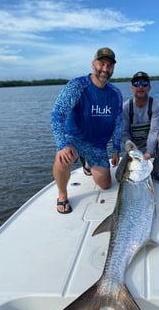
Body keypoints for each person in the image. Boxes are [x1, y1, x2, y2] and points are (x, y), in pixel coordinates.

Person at [51, 47, 123, 214]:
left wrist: (116, 148)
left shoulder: (115, 94)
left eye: (109, 65)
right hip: (75, 139)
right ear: (93, 64)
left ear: (113, 69)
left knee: (105, 185)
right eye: (102, 64)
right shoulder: (77, 86)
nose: (105, 69)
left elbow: (118, 123)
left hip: (97, 146)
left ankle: (87, 162)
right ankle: (62, 195)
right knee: (62, 158)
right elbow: (57, 115)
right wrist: (62, 145)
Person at [122, 71, 159, 183]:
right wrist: (127, 143)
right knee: (120, 178)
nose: (140, 87)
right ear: (132, 88)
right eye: (136, 84)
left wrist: (149, 152)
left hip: (153, 146)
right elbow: (124, 132)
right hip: (135, 148)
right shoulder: (125, 107)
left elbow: (154, 131)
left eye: (144, 83)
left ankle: (156, 171)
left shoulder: (157, 105)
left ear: (149, 87)